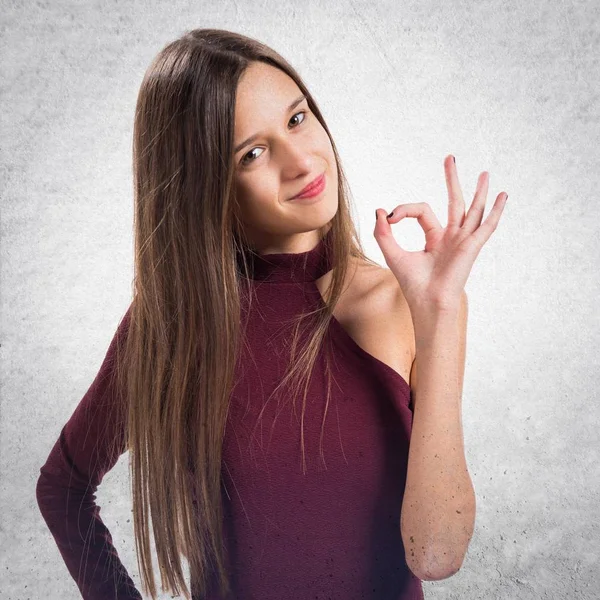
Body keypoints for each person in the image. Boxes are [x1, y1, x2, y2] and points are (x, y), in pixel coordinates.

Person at [37, 27, 507, 600]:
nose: (300, 160)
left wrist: (444, 313)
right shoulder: (172, 328)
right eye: (252, 153)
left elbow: (436, 554)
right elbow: (63, 487)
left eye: (296, 119)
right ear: (202, 189)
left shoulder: (398, 305)